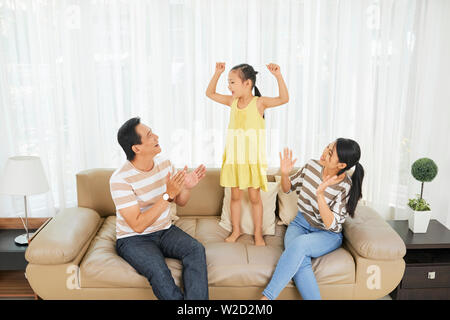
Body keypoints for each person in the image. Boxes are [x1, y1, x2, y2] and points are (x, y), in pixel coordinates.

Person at [110, 117, 208, 300]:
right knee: (159, 270)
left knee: (196, 249)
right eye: (149, 135)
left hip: (164, 230)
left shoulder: (165, 164)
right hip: (133, 239)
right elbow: (137, 225)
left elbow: (180, 201)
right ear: (136, 148)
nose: (156, 136)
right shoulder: (120, 179)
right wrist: (167, 196)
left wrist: (186, 187)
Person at [261, 138, 365, 300]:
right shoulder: (312, 166)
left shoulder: (346, 187)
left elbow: (331, 225)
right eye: (327, 147)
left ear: (342, 165)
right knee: (300, 261)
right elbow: (288, 189)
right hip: (300, 224)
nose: (324, 153)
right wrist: (285, 174)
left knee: (299, 245)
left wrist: (320, 195)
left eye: (330, 154)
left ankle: (266, 298)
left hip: (327, 234)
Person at [206, 62, 289, 246]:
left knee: (254, 198)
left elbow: (284, 98)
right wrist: (217, 73)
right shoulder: (232, 102)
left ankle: (258, 234)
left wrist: (278, 75)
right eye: (229, 82)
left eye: (232, 82)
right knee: (235, 197)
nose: (229, 86)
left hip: (252, 161)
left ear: (247, 84)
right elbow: (210, 93)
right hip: (235, 160)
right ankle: (236, 230)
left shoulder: (259, 103)